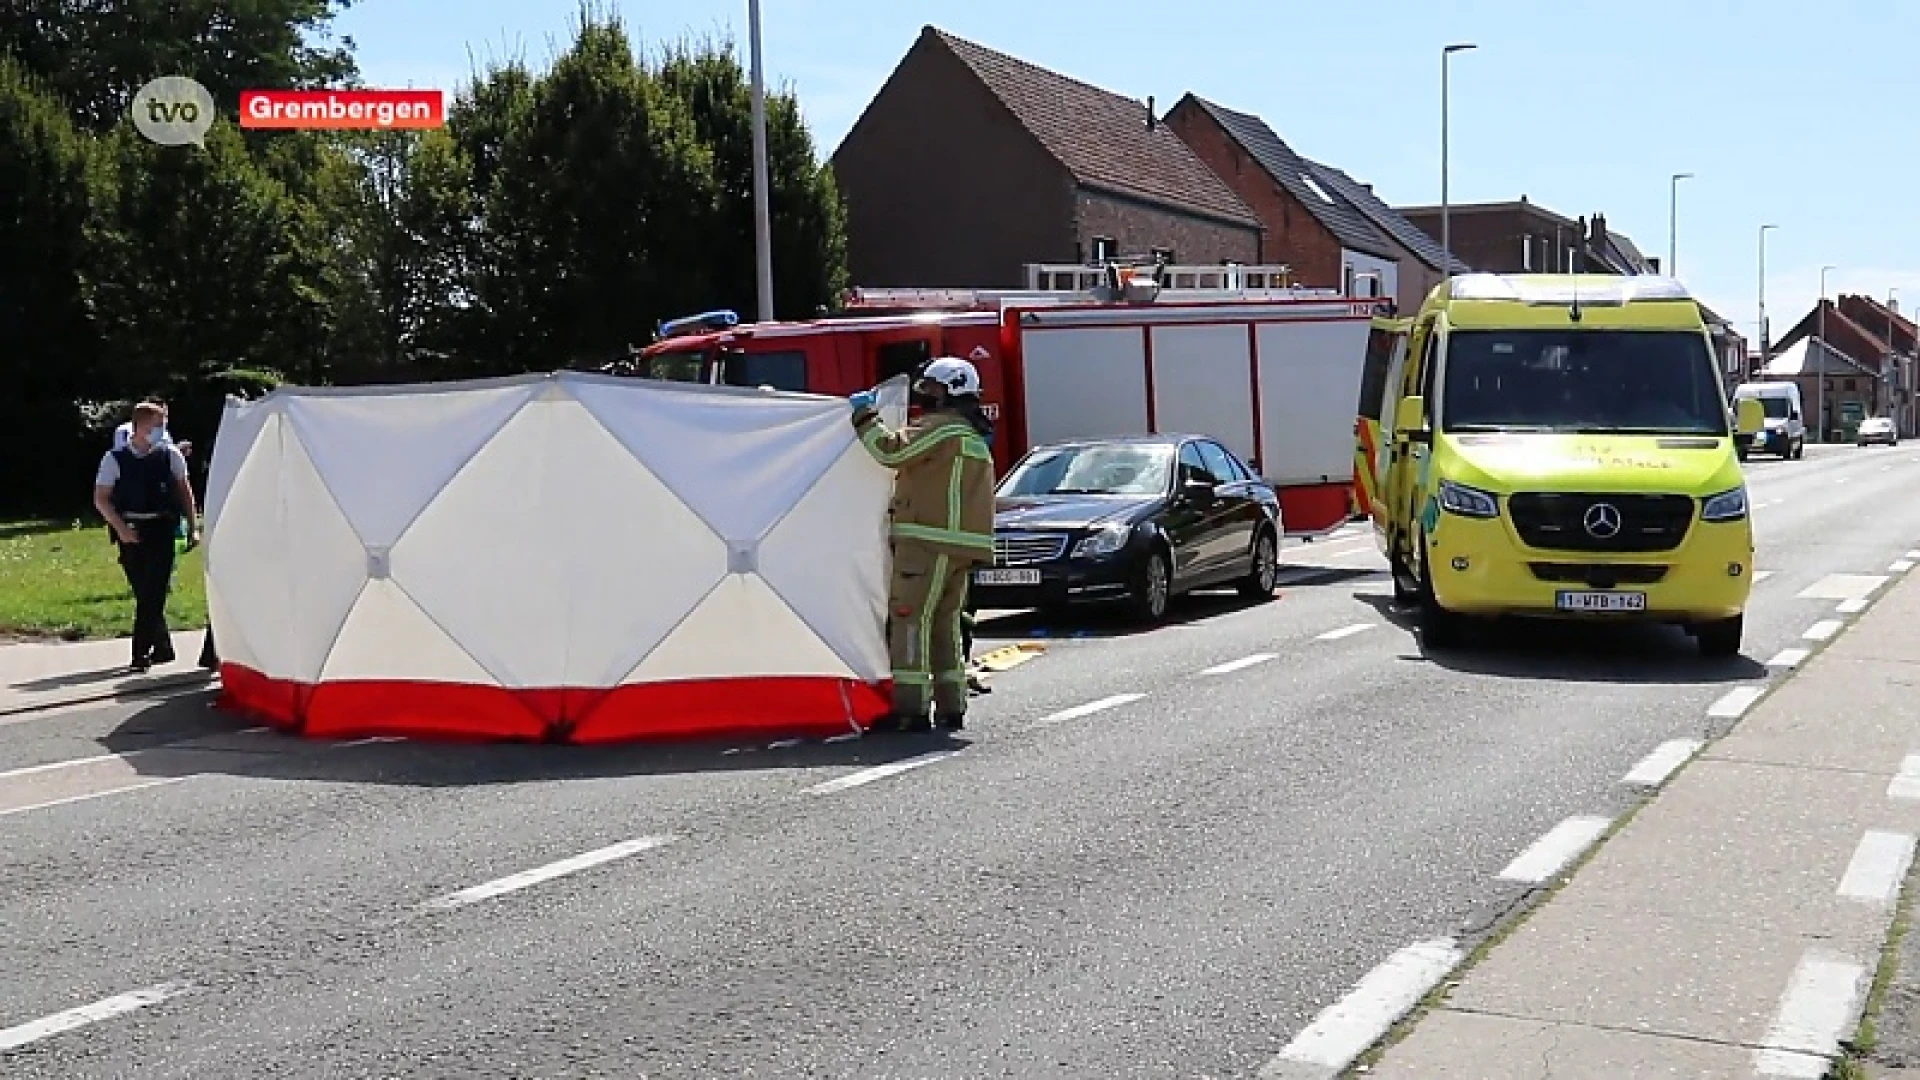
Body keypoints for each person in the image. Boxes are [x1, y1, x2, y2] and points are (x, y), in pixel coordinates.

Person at [850, 357, 997, 732]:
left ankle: (911, 710)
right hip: (965, 545)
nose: (924, 396)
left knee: (909, 619)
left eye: (932, 389)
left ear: (952, 391)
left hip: (927, 541)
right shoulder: (972, 436)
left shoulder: (941, 429)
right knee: (945, 624)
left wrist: (865, 416)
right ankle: (952, 705)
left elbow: (890, 451)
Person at [93, 402, 200, 672]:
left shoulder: (170, 455)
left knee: (154, 591)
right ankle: (163, 647)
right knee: (144, 591)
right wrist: (120, 529)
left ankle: (140, 652)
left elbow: (185, 492)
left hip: (162, 527)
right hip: (131, 528)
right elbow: (102, 499)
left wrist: (193, 525)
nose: (160, 430)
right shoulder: (115, 458)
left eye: (162, 424)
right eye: (156, 424)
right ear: (140, 426)